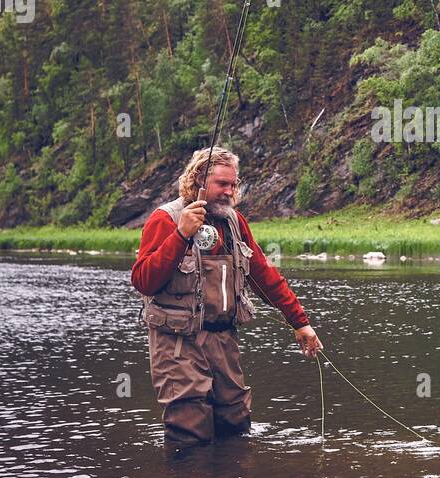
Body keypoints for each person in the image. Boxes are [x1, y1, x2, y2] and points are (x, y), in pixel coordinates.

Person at [131, 146, 322, 445]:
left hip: (224, 340)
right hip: (178, 342)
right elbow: (143, 280)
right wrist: (181, 235)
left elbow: (264, 276)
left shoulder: (234, 222)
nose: (230, 192)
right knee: (190, 430)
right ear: (198, 182)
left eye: (234, 185)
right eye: (222, 184)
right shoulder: (165, 219)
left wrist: (299, 322)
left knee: (235, 424)